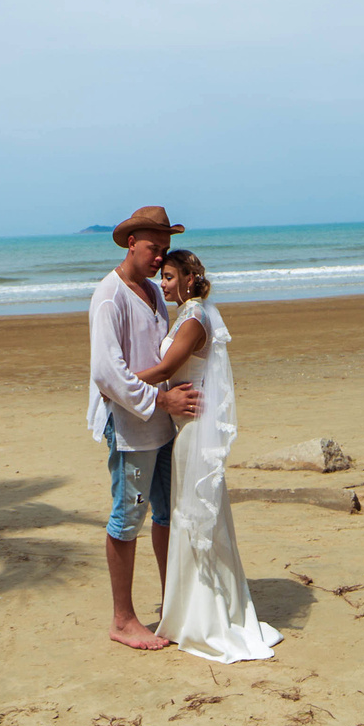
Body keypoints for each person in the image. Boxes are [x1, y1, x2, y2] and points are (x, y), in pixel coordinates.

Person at [135, 248, 281, 662]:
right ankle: (192, 609)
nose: (163, 284)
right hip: (183, 425)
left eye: (168, 277)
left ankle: (206, 616)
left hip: (192, 428)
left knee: (195, 513)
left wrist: (119, 383)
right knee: (192, 513)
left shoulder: (195, 318)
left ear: (187, 279)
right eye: (162, 276)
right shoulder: (188, 315)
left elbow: (166, 369)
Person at [88, 205, 203, 650]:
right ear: (131, 242)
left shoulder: (155, 295)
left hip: (162, 426)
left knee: (167, 513)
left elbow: (161, 358)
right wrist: (161, 398)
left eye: (166, 250)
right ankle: (122, 620)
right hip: (130, 425)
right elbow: (107, 373)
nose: (161, 258)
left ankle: (169, 602)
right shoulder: (109, 296)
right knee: (127, 516)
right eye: (154, 248)